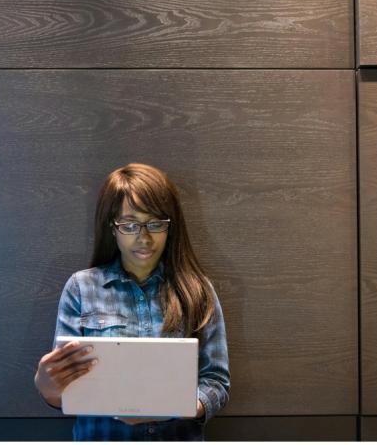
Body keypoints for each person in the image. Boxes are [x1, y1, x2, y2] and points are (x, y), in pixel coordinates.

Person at [34, 162, 230, 441]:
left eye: (155, 223)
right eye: (129, 224)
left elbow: (217, 384)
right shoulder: (81, 288)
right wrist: (47, 386)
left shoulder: (197, 291)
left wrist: (174, 408)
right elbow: (65, 393)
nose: (144, 237)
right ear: (112, 227)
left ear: (170, 227)